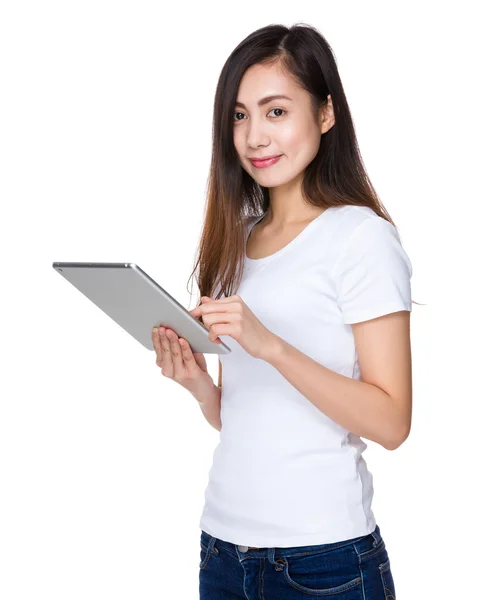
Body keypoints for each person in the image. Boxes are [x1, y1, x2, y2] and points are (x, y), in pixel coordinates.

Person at [152, 22, 413, 599]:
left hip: (325, 563)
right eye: (240, 115)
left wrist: (270, 345)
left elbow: (393, 423)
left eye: (275, 111)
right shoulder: (235, 242)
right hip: (223, 551)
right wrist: (200, 386)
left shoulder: (361, 239)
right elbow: (247, 418)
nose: (253, 136)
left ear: (325, 114)